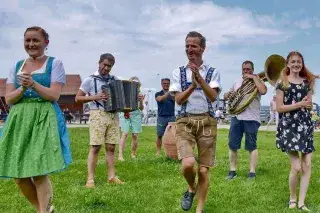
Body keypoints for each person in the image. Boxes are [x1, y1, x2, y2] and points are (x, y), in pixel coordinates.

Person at [0, 26, 72, 213]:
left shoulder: (55, 63)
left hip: (44, 117)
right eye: (27, 40)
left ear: (45, 43)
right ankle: (43, 210)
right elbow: (8, 99)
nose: (31, 44)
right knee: (19, 176)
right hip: (19, 120)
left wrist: (33, 83)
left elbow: (54, 95)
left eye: (35, 40)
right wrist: (22, 89)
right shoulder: (16, 66)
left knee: (39, 171)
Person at [169, 31, 221, 213]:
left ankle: (199, 210)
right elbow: (178, 100)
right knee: (188, 164)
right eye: (187, 46)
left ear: (202, 48)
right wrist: (192, 85)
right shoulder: (178, 72)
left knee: (204, 171)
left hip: (207, 120)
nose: (189, 49)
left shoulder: (213, 72)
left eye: (193, 46)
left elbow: (214, 96)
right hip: (185, 120)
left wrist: (200, 79)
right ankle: (191, 188)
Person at [75, 53, 124, 188]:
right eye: (105, 65)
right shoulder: (90, 80)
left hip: (113, 115)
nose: (107, 68)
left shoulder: (115, 80)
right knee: (95, 146)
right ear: (99, 63)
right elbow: (78, 98)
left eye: (109, 66)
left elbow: (121, 97)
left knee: (111, 147)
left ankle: (111, 177)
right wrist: (95, 97)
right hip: (97, 114)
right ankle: (90, 179)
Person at [275, 51, 316, 211]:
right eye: (293, 62)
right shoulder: (282, 82)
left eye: (299, 62)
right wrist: (299, 104)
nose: (296, 64)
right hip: (289, 127)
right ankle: (292, 198)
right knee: (297, 167)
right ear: (288, 64)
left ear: (302, 63)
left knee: (307, 165)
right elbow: (279, 108)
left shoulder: (307, 83)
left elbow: (309, 105)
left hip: (305, 126)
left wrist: (307, 103)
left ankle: (301, 202)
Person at [224, 60, 267, 180]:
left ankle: (252, 172)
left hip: (251, 118)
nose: (246, 71)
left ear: (252, 70)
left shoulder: (258, 80)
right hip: (236, 117)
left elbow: (263, 91)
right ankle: (232, 170)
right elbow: (227, 95)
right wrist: (228, 95)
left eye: (248, 69)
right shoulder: (237, 81)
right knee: (233, 145)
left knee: (251, 146)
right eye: (244, 69)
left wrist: (254, 78)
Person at [118, 76, 145, 161]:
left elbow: (141, 108)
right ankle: (120, 155)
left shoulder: (140, 93)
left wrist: (141, 101)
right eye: (133, 83)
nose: (135, 85)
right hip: (125, 112)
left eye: (136, 84)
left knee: (135, 135)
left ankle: (133, 154)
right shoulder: (124, 91)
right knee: (125, 134)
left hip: (136, 113)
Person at [155, 78, 175, 156]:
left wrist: (172, 93)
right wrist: (169, 92)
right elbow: (160, 99)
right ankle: (158, 151)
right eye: (164, 83)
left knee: (173, 135)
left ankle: (172, 151)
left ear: (169, 84)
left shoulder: (173, 94)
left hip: (172, 117)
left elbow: (176, 100)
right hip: (161, 117)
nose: (166, 85)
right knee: (159, 135)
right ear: (161, 84)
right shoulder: (158, 93)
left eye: (167, 83)